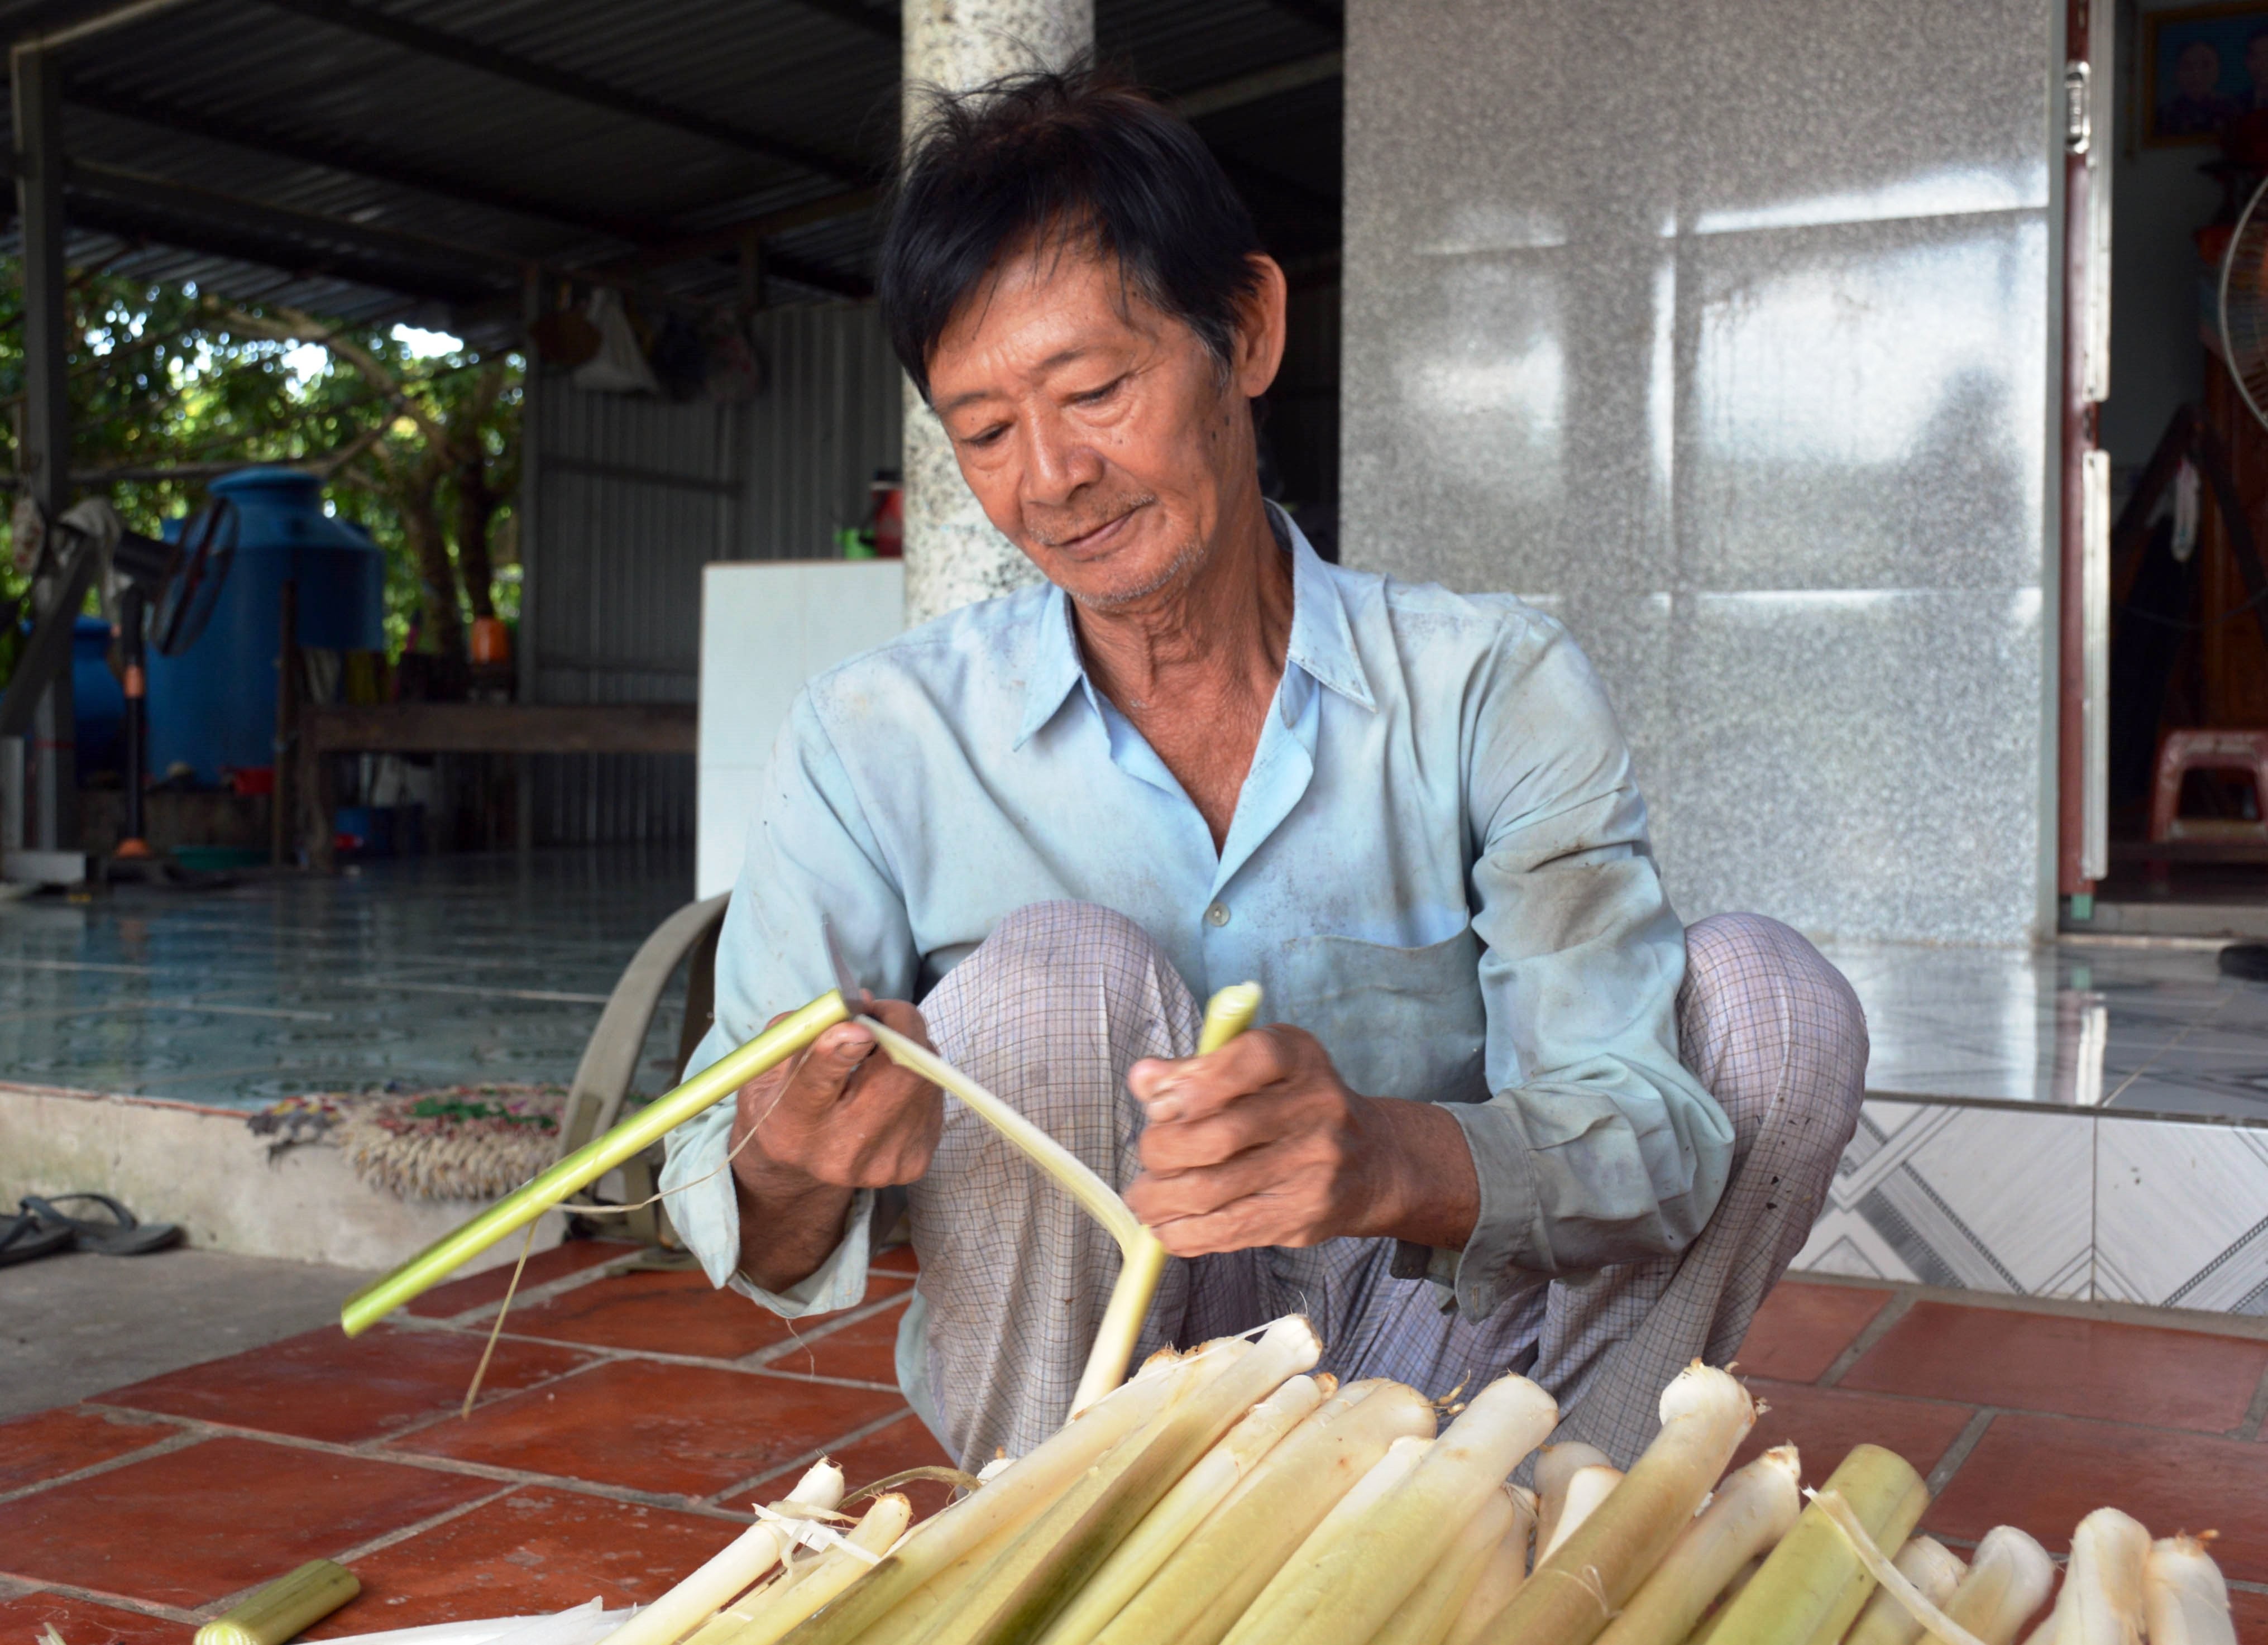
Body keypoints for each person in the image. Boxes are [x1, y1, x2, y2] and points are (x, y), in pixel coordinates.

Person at [662, 69, 1867, 1470]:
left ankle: (1532, 1538)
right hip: (1102, 1400)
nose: (1048, 476)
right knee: (1048, 980)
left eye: (1095, 389)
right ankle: (1060, 1552)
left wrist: (1386, 1155)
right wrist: (800, 1146)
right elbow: (745, 1206)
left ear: (1244, 329)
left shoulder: (1488, 684)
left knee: (1773, 1008)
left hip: (1461, 1380)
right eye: (984, 431)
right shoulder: (875, 735)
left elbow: (1645, 1131)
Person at [2162, 38, 2242, 136]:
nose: (2197, 75)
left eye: (2205, 66)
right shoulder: (2166, 115)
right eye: (2188, 67)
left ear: (2218, 71)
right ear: (2177, 73)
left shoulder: (2233, 110)